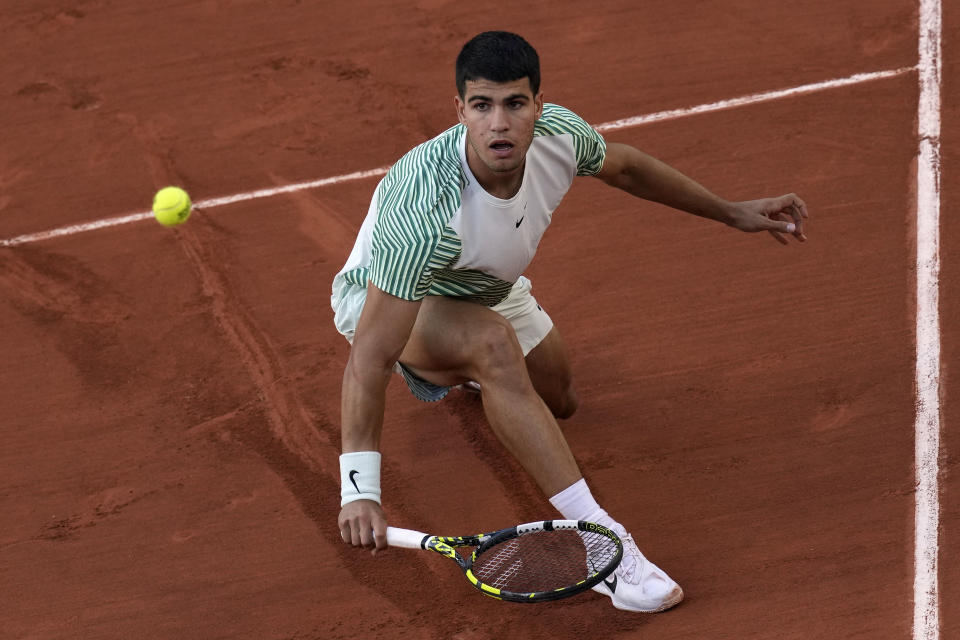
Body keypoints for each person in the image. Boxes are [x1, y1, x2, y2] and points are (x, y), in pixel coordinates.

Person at [332, 31, 807, 613]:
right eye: (481, 106)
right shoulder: (426, 213)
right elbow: (371, 359)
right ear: (460, 111)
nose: (499, 124)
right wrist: (360, 490)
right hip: (397, 298)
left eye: (514, 104)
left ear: (538, 103)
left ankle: (479, 373)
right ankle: (609, 548)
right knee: (493, 345)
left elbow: (628, 168)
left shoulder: (562, 134)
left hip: (487, 285)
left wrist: (731, 211)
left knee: (561, 398)